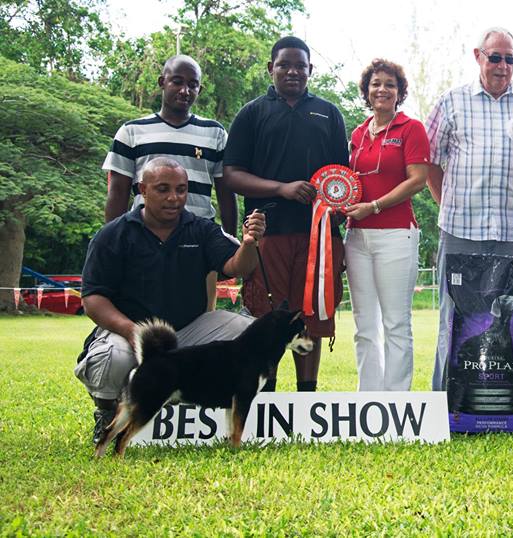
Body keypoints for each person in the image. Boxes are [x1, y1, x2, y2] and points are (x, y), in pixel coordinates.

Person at [75, 158, 265, 445]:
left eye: (181, 189)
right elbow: (93, 299)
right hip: (131, 331)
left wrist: (249, 243)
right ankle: (108, 413)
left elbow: (239, 267)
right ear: (143, 190)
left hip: (187, 331)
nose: (173, 198)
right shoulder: (113, 234)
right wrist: (132, 332)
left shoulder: (201, 229)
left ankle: (194, 402)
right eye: (163, 189)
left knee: (248, 334)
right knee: (112, 358)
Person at [425, 27, 513, 390]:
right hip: (460, 231)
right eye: (495, 57)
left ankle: (508, 400)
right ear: (478, 56)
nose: (503, 66)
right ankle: (443, 402)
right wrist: (450, 204)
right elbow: (430, 163)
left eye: (510, 59)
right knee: (453, 317)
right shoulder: (450, 102)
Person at [222, 36, 349, 393]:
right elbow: (231, 175)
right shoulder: (252, 113)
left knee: (309, 316)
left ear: (311, 70)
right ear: (270, 68)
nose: (293, 72)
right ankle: (268, 395)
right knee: (268, 317)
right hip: (268, 232)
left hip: (319, 236)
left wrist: (337, 212)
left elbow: (344, 175)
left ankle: (307, 396)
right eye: (284, 65)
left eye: (300, 66)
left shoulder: (328, 112)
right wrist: (282, 188)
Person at [102, 54, 237, 312]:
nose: (185, 90)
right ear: (162, 82)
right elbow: (117, 193)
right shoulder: (131, 131)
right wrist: (112, 242)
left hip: (200, 242)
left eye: (193, 84)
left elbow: (225, 193)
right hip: (143, 239)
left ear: (200, 88)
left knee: (200, 319)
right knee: (143, 313)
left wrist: (227, 245)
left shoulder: (215, 133)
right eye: (177, 81)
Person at [344, 59, 429, 391]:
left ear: (399, 92)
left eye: (390, 84)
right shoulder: (358, 133)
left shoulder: (411, 129)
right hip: (356, 236)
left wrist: (375, 206)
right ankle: (369, 399)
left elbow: (418, 180)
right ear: (367, 90)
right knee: (364, 325)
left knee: (395, 323)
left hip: (396, 234)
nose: (382, 89)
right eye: (376, 83)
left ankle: (396, 402)